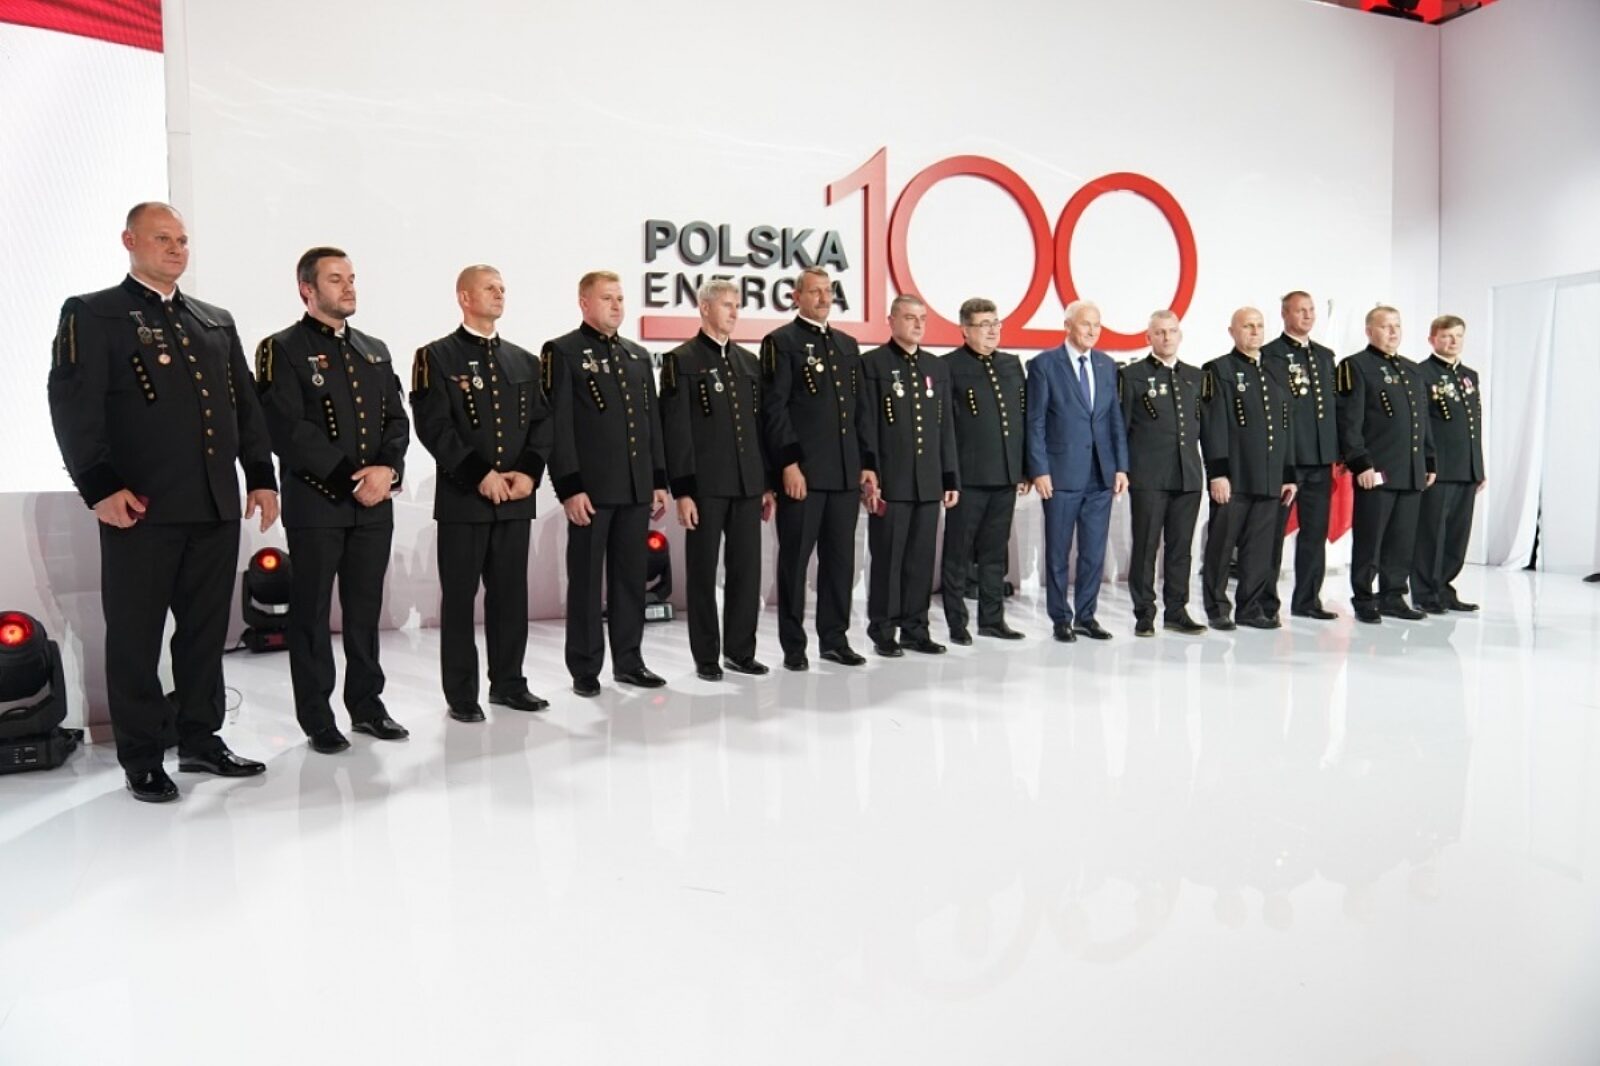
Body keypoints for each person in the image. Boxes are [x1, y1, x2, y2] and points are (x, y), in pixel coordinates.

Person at [48, 202, 278, 802]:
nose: (176, 249)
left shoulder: (214, 321)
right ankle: (142, 756)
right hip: (140, 509)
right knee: (136, 639)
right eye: (162, 239)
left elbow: (244, 407)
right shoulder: (93, 312)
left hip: (213, 505)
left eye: (182, 240)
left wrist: (260, 476)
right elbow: (73, 405)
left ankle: (201, 739)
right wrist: (99, 487)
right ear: (129, 241)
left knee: (204, 635)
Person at [256, 246, 411, 752]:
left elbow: (396, 421)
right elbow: (288, 429)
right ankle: (318, 717)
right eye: (336, 279)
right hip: (318, 503)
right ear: (307, 289)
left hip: (374, 504)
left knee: (365, 612)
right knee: (311, 615)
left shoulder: (373, 349)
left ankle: (367, 706)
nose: (349, 287)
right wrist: (353, 479)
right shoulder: (282, 348)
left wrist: (387, 471)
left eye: (352, 278)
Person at [410, 265, 553, 722]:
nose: (499, 294)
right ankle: (462, 694)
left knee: (511, 596)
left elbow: (542, 423)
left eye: (503, 288)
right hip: (463, 500)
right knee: (459, 599)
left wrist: (528, 473)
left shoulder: (525, 361)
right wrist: (479, 474)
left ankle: (509, 683)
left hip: (515, 499)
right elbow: (434, 425)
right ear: (464, 297)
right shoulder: (436, 356)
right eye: (490, 288)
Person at [543, 271, 669, 696]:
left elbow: (651, 424)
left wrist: (658, 480)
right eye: (607, 298)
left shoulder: (637, 356)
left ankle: (629, 661)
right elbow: (558, 427)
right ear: (584, 303)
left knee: (630, 579)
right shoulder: (563, 352)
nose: (616, 306)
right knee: (585, 582)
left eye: (620, 298)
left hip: (635, 489)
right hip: (591, 492)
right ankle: (584, 668)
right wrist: (569, 488)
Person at [660, 279, 774, 681]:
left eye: (736, 305)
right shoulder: (681, 360)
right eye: (726, 305)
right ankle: (706, 656)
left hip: (747, 485)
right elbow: (676, 432)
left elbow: (760, 428)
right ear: (705, 308)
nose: (734, 312)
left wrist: (766, 484)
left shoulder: (749, 362)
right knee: (702, 573)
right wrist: (683, 491)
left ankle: (741, 651)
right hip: (705, 488)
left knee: (746, 572)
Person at [760, 267, 871, 671]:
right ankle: (793, 645)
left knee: (840, 561)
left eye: (828, 291)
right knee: (795, 562)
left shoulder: (847, 345)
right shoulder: (781, 342)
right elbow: (774, 410)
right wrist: (788, 464)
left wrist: (867, 464)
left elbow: (859, 411)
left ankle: (834, 639)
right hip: (803, 476)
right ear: (797, 297)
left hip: (843, 475)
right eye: (815, 292)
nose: (824, 299)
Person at [859, 294, 959, 657]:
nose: (917, 324)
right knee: (888, 559)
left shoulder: (936, 367)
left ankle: (916, 628)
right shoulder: (872, 364)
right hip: (892, 480)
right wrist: (869, 472)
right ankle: (883, 629)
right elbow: (866, 423)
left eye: (922, 318)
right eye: (909, 317)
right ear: (891, 321)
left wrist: (950, 477)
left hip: (928, 481)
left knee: (921, 560)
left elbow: (945, 427)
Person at [1025, 300, 1129, 642]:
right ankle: (1060, 618)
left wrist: (1121, 467)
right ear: (1067, 326)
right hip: (1060, 474)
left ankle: (1087, 615)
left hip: (1101, 474)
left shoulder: (1106, 364)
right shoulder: (1044, 365)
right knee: (1058, 552)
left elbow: (1114, 420)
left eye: (1097, 325)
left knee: (1093, 552)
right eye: (1086, 324)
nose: (1092, 331)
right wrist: (1039, 469)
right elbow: (1035, 422)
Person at [1336, 305, 1436, 624]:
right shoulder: (1356, 366)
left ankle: (1393, 596)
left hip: (1411, 470)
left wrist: (1429, 460)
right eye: (1385, 326)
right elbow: (1349, 422)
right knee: (1371, 540)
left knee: (1402, 540)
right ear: (1369, 331)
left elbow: (1422, 421)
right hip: (1377, 471)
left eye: (1397, 326)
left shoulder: (1412, 370)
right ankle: (1364, 598)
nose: (1393, 332)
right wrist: (1360, 463)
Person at [1199, 308, 1298, 630]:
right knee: (1222, 546)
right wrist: (1217, 473)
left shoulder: (1276, 371)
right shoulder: (1218, 370)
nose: (1255, 332)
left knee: (1259, 549)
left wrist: (1288, 475)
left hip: (1269, 477)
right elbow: (1213, 426)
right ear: (1232, 331)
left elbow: (1285, 426)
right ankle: (1217, 608)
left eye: (1259, 326)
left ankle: (1250, 608)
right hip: (1235, 477)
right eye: (1247, 326)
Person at [941, 298, 1030, 643]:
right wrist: (949, 476)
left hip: (1005, 476)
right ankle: (956, 623)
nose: (992, 331)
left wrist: (1024, 468)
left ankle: (992, 620)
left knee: (995, 554)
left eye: (996, 323)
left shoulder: (1010, 364)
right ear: (965, 330)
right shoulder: (949, 366)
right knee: (957, 554)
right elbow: (946, 429)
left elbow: (1021, 420)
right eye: (984, 325)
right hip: (968, 478)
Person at [1118, 310, 1207, 637]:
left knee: (1181, 548)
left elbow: (1205, 428)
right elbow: (1121, 427)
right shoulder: (1133, 376)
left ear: (1180, 335)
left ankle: (1177, 610)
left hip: (1188, 475)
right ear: (1149, 337)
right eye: (1159, 332)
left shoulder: (1195, 377)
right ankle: (1144, 613)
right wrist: (1121, 468)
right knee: (1145, 547)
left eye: (1171, 331)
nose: (1167, 337)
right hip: (1148, 476)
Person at [1261, 291, 1340, 620]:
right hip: (1286, 460)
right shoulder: (1270, 355)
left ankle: (1308, 600)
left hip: (1320, 459)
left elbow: (1332, 408)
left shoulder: (1324, 356)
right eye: (1300, 310)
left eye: (1311, 310)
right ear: (1285, 314)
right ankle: (1264, 603)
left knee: (1314, 534)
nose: (1308, 316)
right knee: (1271, 536)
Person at [1411, 314, 1484, 613]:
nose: (1453, 341)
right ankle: (1425, 592)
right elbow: (1422, 426)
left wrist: (1478, 467)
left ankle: (1444, 587)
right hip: (1439, 468)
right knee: (1431, 533)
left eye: (1458, 336)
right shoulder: (1421, 373)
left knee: (1457, 535)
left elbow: (1474, 423)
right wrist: (1427, 463)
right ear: (1432, 339)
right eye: (1446, 336)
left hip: (1466, 467)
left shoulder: (1469, 375)